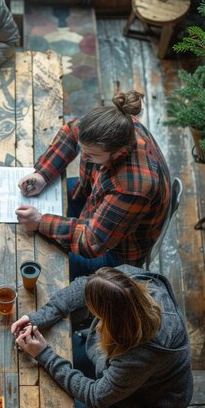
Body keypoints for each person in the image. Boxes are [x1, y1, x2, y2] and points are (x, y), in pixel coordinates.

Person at [11, 266, 193, 408]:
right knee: (66, 352)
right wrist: (39, 318)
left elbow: (96, 396)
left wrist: (44, 354)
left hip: (145, 404)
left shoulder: (140, 354)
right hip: (127, 372)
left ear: (111, 318)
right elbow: (85, 285)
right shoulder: (131, 283)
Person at [15, 91, 171, 279]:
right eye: (83, 150)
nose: (85, 157)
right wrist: (42, 174)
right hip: (92, 198)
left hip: (115, 254)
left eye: (93, 155)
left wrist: (41, 222)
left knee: (36, 263)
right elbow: (71, 132)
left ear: (119, 151)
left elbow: (92, 243)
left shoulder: (133, 188)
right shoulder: (117, 122)